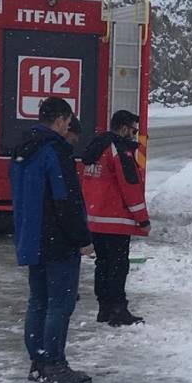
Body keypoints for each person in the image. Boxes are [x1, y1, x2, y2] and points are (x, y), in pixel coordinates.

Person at [10, 97, 96, 383]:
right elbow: (66, 200)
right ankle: (54, 364)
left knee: (38, 301)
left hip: (32, 237)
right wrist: (82, 238)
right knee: (60, 304)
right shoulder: (55, 151)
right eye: (68, 121)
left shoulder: (24, 149)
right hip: (58, 239)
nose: (68, 126)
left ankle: (38, 361)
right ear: (59, 120)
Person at [79, 110, 150, 326]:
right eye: (133, 130)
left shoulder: (96, 149)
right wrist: (142, 219)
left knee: (103, 265)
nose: (134, 134)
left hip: (96, 219)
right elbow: (130, 187)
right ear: (123, 128)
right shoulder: (118, 150)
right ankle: (118, 310)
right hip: (115, 221)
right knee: (118, 267)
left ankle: (104, 308)